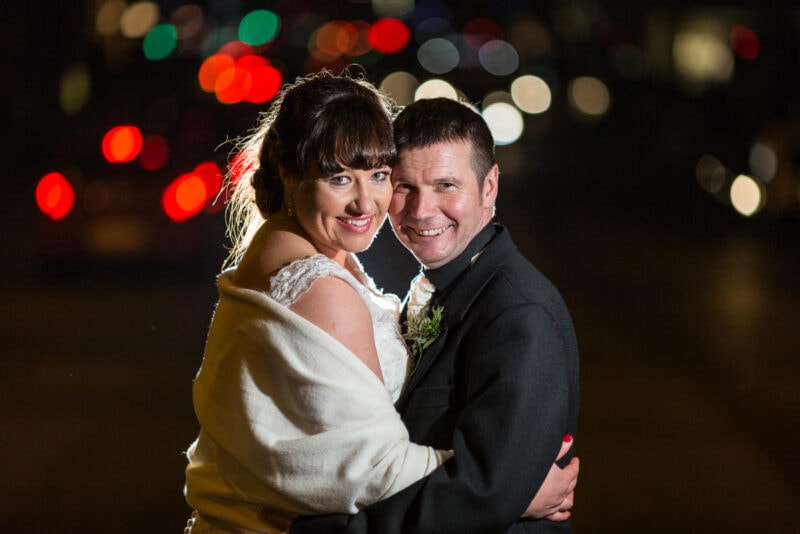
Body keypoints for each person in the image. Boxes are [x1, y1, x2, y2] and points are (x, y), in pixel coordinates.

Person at [182, 73, 574, 534]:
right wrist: (516, 491)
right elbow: (375, 467)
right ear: (290, 176)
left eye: (380, 176)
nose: (365, 202)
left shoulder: (518, 313)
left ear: (489, 188)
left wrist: (500, 488)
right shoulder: (321, 279)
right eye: (340, 178)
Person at [291, 97, 580, 533]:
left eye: (446, 185)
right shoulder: (443, 285)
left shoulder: (520, 316)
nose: (422, 210)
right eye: (405, 186)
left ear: (489, 187)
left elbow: (480, 495)